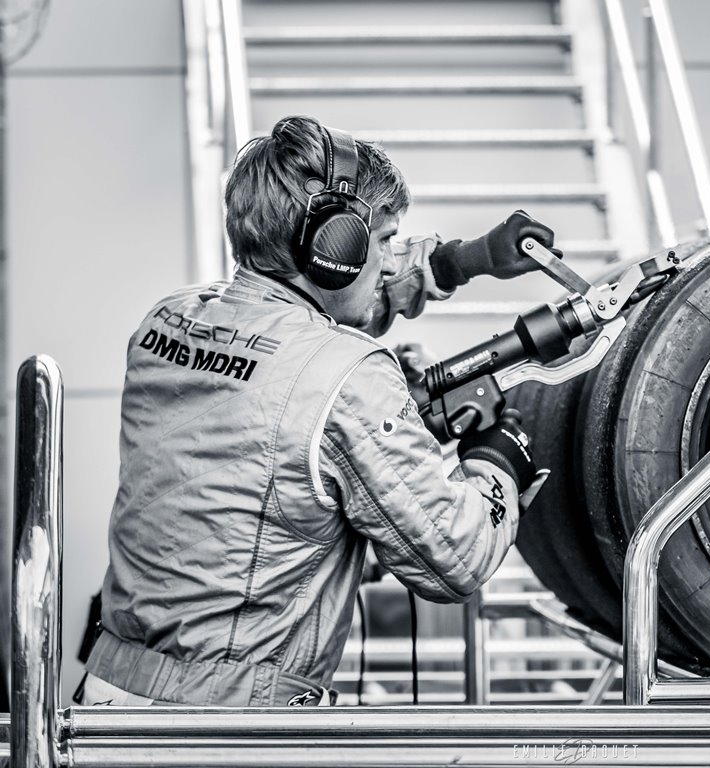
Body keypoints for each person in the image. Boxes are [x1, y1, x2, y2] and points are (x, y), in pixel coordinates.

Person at [78, 115, 559, 706]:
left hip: (105, 698)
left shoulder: (168, 321)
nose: (388, 262)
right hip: (222, 732)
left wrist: (465, 260)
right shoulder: (346, 374)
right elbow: (454, 557)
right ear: (334, 249)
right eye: (382, 241)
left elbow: (314, 323)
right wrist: (497, 463)